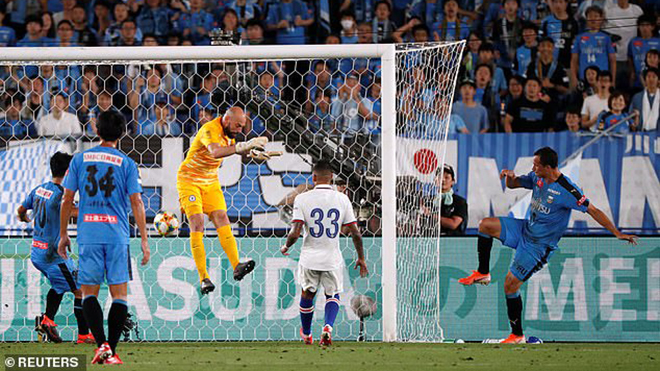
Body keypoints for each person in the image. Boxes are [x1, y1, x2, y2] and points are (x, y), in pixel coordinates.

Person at [458, 147, 638, 344]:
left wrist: (616, 232)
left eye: (536, 164)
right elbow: (514, 184)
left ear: (548, 167)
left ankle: (517, 335)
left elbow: (593, 210)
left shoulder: (568, 190)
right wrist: (510, 177)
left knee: (510, 285)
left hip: (539, 246)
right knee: (485, 225)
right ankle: (483, 272)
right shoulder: (537, 177)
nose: (533, 167)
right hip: (525, 229)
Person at [58, 111, 150, 364]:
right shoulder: (128, 163)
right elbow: (137, 201)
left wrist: (63, 234)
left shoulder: (79, 160)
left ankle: (102, 345)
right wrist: (143, 238)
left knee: (89, 294)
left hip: (88, 234)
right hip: (116, 235)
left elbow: (66, 199)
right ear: (122, 133)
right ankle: (114, 351)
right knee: (120, 295)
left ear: (96, 131)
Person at [177, 107, 272, 294]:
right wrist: (241, 147)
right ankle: (204, 277)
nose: (239, 130)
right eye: (237, 125)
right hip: (189, 180)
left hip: (210, 181)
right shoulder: (209, 130)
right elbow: (215, 152)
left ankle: (237, 265)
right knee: (197, 223)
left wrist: (252, 152)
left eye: (242, 127)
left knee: (222, 217)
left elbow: (233, 150)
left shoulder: (229, 132)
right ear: (226, 119)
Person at [280, 159, 368, 346]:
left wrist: (286, 247)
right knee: (333, 294)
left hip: (309, 257)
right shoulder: (342, 199)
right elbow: (356, 233)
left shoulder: (302, 198)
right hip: (332, 258)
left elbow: (295, 232)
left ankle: (307, 334)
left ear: (313, 177)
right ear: (332, 178)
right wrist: (361, 257)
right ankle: (327, 327)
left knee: (307, 293)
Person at [16, 152, 93, 344]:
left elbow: (21, 210)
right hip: (53, 255)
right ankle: (84, 335)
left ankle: (47, 321)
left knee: (59, 286)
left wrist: (25, 218)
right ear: (68, 172)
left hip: (37, 251)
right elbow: (75, 212)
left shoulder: (40, 189)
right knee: (80, 289)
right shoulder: (61, 196)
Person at [570, 6, 616, 90]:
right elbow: (574, 60)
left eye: (596, 16)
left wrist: (613, 80)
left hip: (602, 79)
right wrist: (574, 78)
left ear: (601, 19)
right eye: (590, 16)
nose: (593, 19)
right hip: (584, 79)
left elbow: (612, 61)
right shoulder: (579, 38)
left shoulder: (606, 38)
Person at [420, 164, 468, 236]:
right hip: (431, 240)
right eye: (440, 177)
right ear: (435, 180)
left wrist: (431, 215)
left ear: (453, 181)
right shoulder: (427, 200)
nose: (443, 180)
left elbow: (453, 224)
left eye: (447, 177)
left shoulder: (460, 201)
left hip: (453, 241)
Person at [629, 67, 660, 132]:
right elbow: (630, 116)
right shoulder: (637, 97)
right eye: (648, 77)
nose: (651, 79)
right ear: (645, 80)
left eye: (654, 77)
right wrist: (633, 124)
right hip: (641, 134)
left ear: (658, 80)